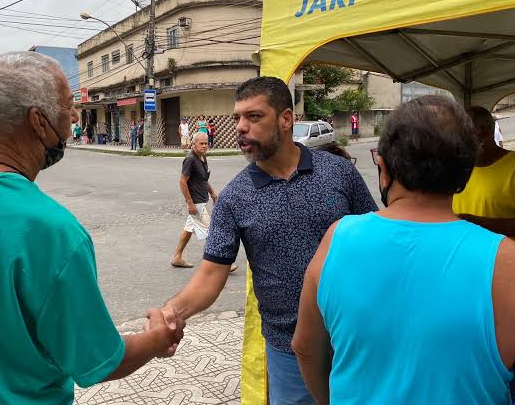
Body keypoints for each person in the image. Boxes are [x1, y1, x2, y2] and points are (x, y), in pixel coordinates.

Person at [0, 52, 184, 404]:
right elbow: (99, 361)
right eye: (68, 105)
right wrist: (158, 337)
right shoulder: (53, 233)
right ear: (38, 121)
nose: (74, 116)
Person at [293, 96, 515, 404]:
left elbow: (305, 347)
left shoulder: (338, 239)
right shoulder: (514, 265)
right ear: (465, 173)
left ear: (384, 168)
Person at [157, 77, 377, 404]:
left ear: (286, 119)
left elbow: (375, 240)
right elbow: (211, 274)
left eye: (254, 116)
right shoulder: (235, 198)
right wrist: (173, 310)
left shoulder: (338, 172)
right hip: (287, 352)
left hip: (356, 338)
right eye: (237, 118)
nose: (241, 127)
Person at [452, 106, 515, 255]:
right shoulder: (456, 169)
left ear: (483, 132)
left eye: (460, 136)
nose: (455, 142)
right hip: (469, 262)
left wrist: (480, 224)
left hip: (510, 265)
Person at [172, 132, 221, 269]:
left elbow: (203, 179)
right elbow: (182, 182)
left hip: (201, 199)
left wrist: (212, 193)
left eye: (206, 143)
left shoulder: (202, 157)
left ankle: (177, 257)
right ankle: (220, 264)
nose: (204, 146)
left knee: (188, 229)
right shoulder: (190, 160)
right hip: (196, 202)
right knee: (211, 232)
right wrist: (190, 203)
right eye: (201, 143)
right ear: (193, 144)